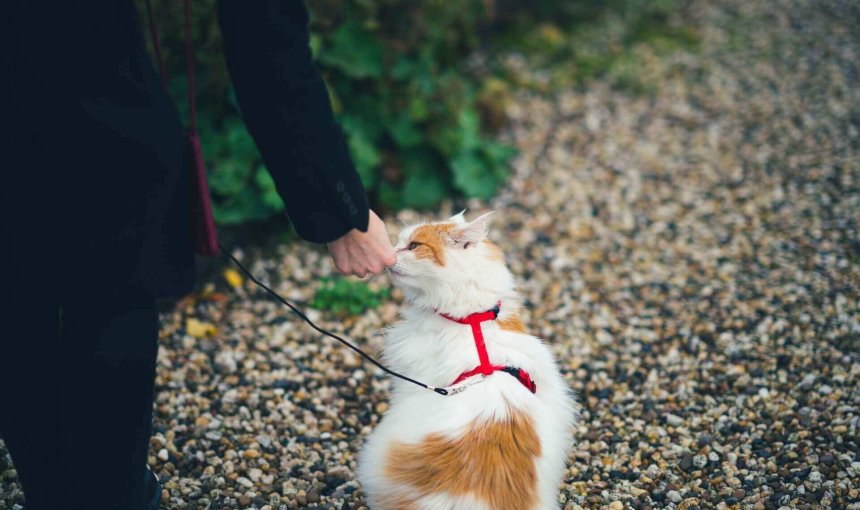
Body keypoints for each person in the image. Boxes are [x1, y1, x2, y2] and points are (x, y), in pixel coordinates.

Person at [0, 1, 395, 509]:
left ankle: (52, 492)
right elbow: (264, 37)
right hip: (93, 92)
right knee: (111, 276)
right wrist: (341, 212)